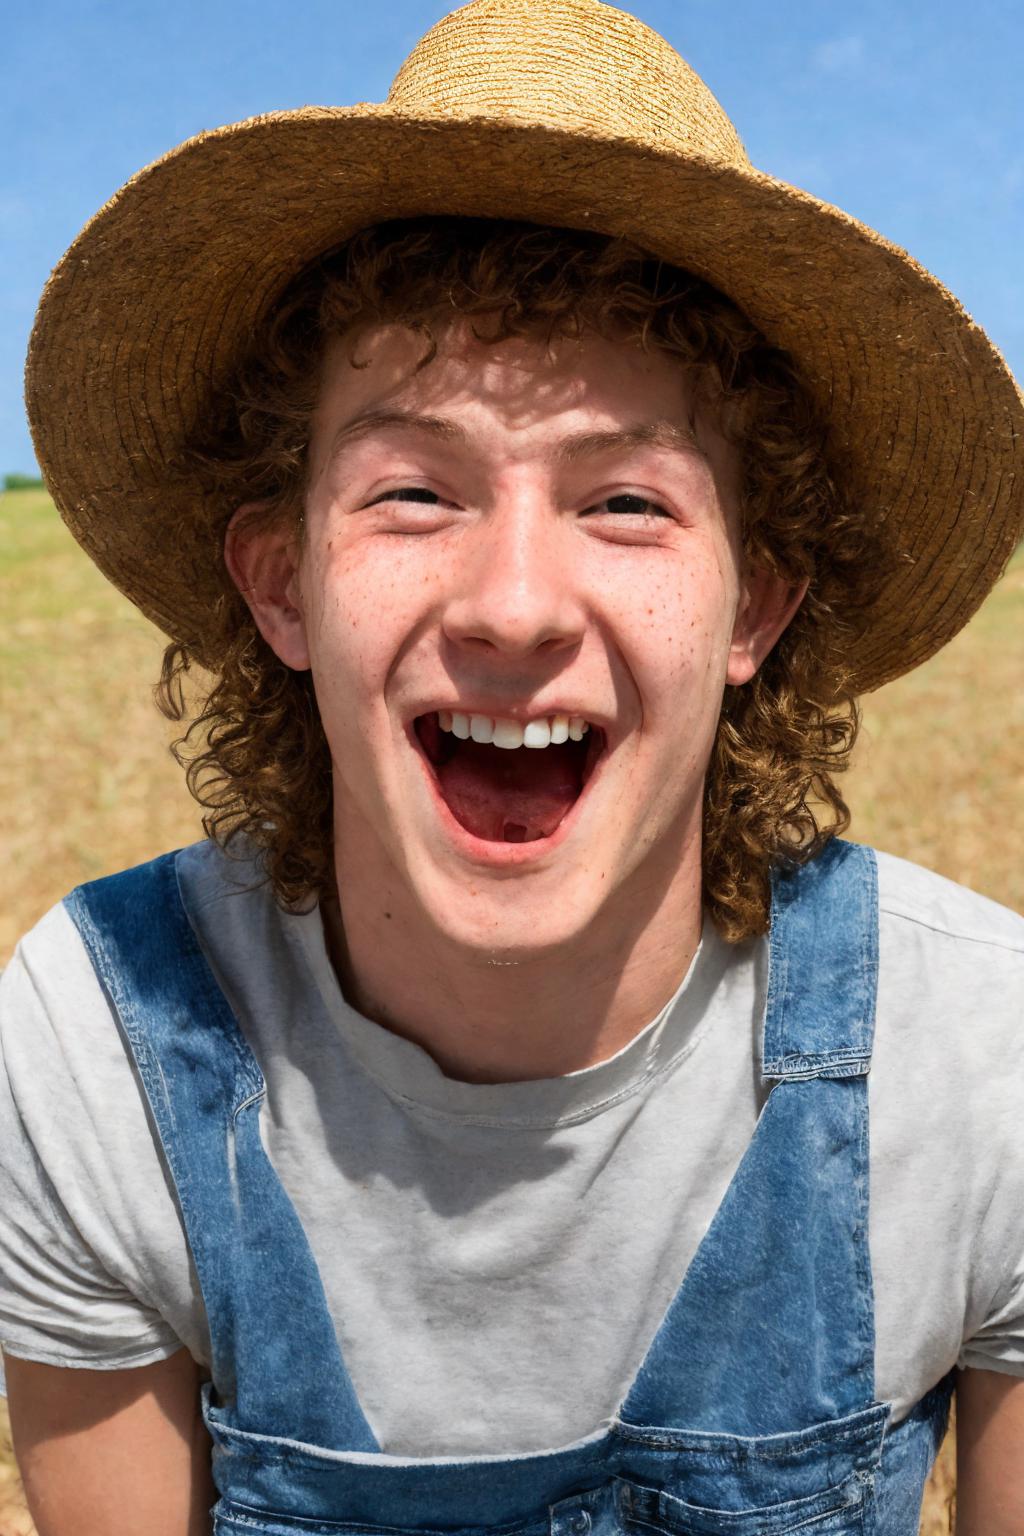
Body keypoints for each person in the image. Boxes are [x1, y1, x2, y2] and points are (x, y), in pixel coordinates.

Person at [2, 1, 1022, 1533]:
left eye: (625, 502)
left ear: (756, 602)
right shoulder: (101, 1053)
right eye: (414, 490)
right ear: (284, 587)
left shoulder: (983, 1059)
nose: (515, 606)